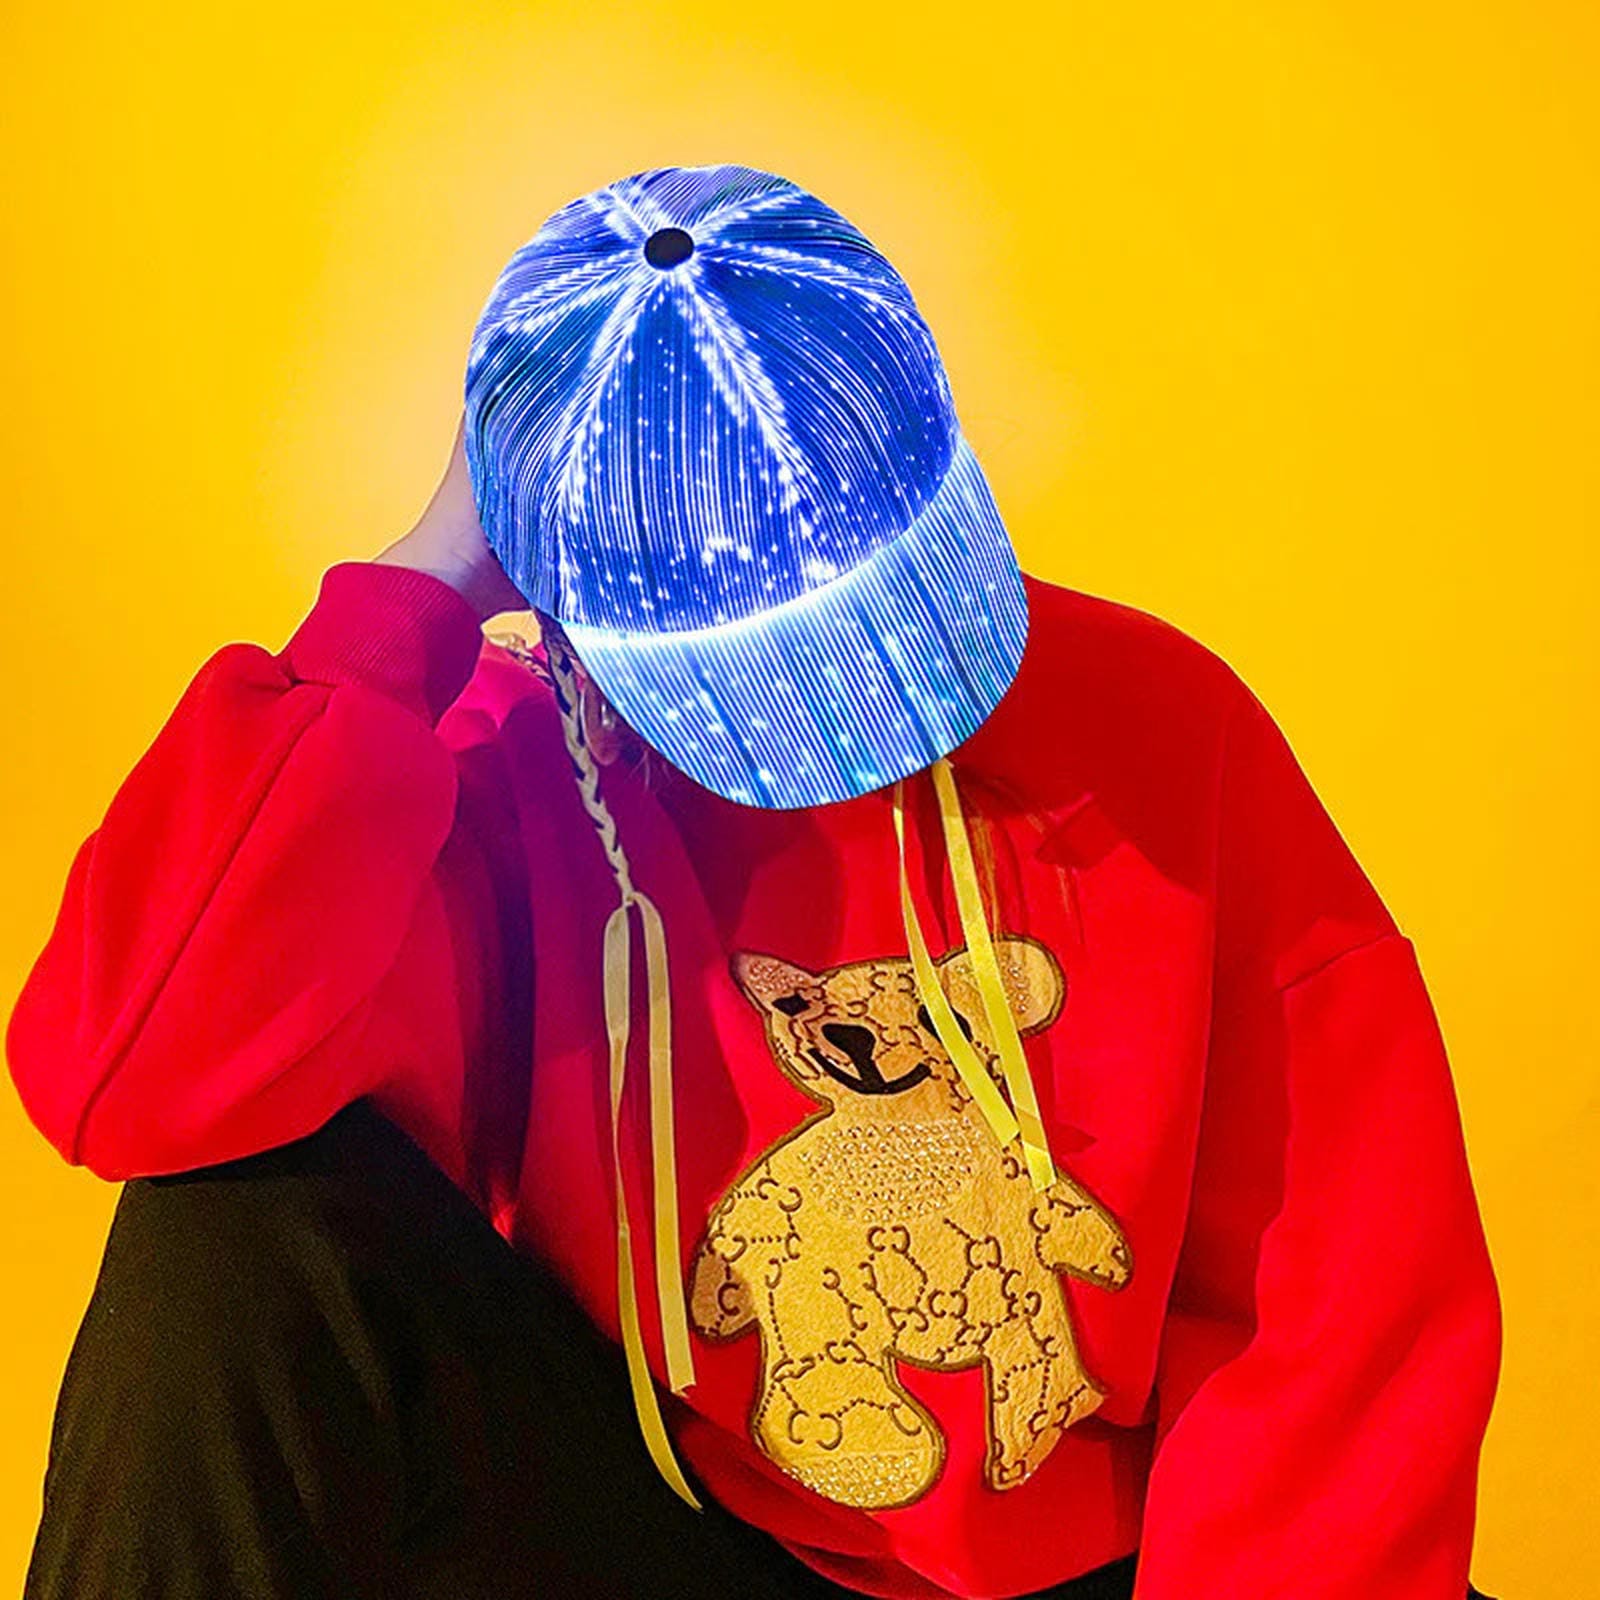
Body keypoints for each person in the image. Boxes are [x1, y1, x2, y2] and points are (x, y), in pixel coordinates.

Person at [6, 164, 1500, 1599]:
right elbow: (125, 1079)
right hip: (669, 1532)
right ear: (575, 633)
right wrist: (423, 589)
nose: (852, 702)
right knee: (226, 1231)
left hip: (1081, 1569)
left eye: (878, 611)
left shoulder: (1157, 729)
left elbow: (1337, 1305)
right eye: (764, 675)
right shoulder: (503, 767)